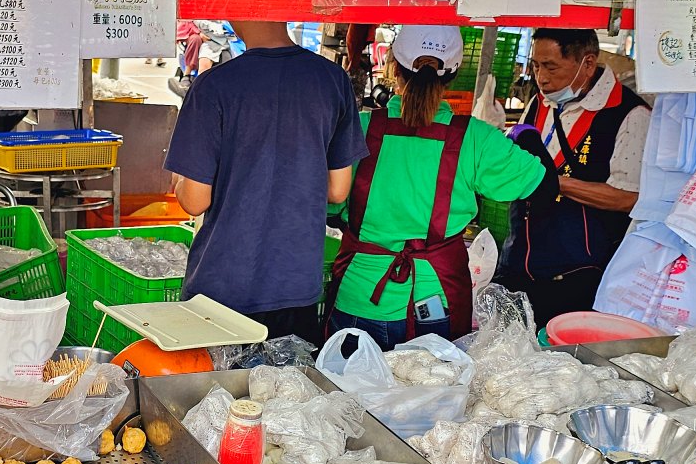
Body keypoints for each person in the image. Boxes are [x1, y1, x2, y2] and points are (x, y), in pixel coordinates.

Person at [329, 26, 553, 346]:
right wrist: (527, 133)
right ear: (455, 73)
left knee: (348, 393)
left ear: (393, 65)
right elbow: (543, 185)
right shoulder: (476, 138)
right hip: (435, 300)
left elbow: (331, 206)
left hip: (359, 294)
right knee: (431, 394)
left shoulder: (361, 128)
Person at [166, 20, 367, 342]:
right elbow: (338, 190)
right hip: (297, 282)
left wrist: (179, 178)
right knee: (284, 389)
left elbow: (194, 200)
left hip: (224, 283)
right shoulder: (331, 79)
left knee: (219, 391)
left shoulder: (214, 85)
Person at [497, 27, 650, 326]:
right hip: (518, 263)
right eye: (536, 65)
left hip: (576, 275)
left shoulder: (628, 114)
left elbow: (629, 199)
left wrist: (553, 183)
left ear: (588, 63)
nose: (541, 77)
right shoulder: (540, 102)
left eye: (551, 66)